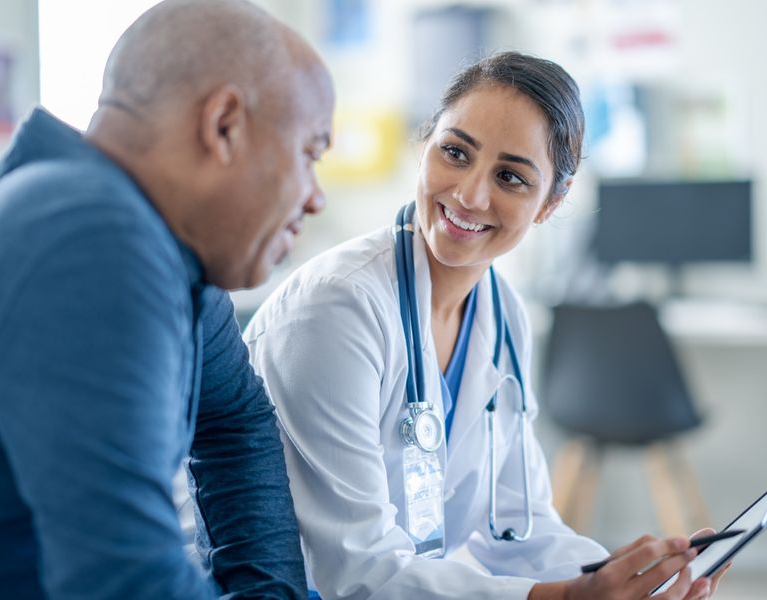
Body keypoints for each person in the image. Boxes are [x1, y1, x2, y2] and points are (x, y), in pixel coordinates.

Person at [243, 52, 724, 599]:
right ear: (424, 144)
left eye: (511, 177)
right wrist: (566, 598)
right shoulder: (337, 310)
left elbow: (519, 530)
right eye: (454, 152)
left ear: (551, 202)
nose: (470, 195)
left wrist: (635, 581)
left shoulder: (503, 314)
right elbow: (358, 574)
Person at [0, 0, 333, 598]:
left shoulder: (155, 242)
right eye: (310, 154)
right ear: (224, 126)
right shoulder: (89, 240)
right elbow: (126, 582)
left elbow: (234, 420)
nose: (315, 198)